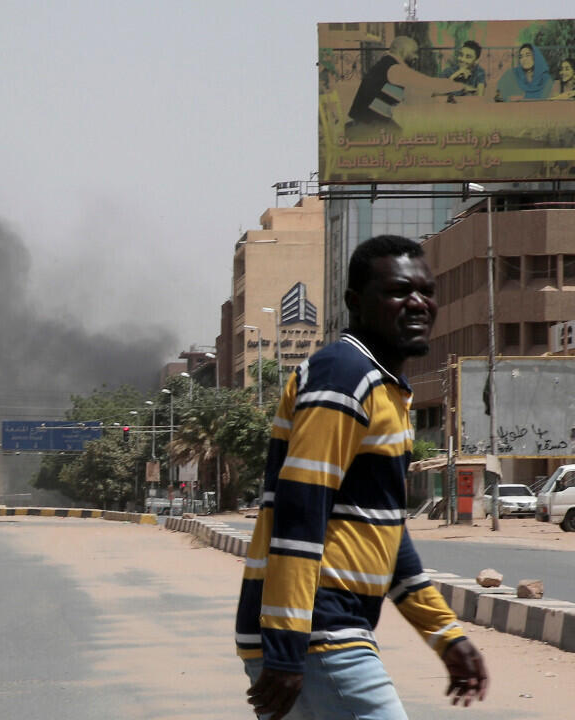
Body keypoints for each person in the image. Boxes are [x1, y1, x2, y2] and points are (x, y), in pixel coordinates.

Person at [238, 235, 488, 719]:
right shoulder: (344, 375)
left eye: (426, 291)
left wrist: (445, 634)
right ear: (356, 302)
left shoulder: (385, 388)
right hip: (318, 632)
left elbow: (388, 534)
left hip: (321, 631)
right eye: (398, 291)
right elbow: (299, 511)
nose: (418, 304)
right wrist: (289, 648)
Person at [346, 36, 466, 134]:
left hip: (367, 124)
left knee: (402, 134)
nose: (417, 57)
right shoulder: (395, 69)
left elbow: (409, 98)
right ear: (403, 51)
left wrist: (443, 97)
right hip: (366, 130)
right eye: (414, 52)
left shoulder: (387, 65)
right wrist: (461, 86)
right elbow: (428, 83)